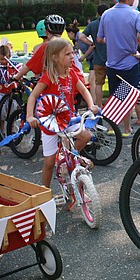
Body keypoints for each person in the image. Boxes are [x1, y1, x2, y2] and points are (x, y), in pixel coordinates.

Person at [25, 38, 99, 187]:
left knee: (86, 135)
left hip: (68, 119)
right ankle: (45, 191)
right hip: (50, 123)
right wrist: (30, 116)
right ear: (55, 57)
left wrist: (92, 105)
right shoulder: (49, 76)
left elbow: (84, 90)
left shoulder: (71, 74)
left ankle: (68, 157)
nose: (72, 56)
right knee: (49, 162)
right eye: (67, 54)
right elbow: (33, 96)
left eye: (72, 53)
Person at [97, 0, 140, 136]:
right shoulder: (135, 15)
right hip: (130, 63)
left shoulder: (106, 14)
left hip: (112, 64)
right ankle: (126, 128)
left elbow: (100, 38)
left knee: (116, 96)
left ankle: (112, 127)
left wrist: (112, 40)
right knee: (127, 97)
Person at [81, 4, 108, 106]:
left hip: (98, 59)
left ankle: (99, 106)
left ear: (97, 13)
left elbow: (81, 37)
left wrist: (92, 43)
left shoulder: (92, 25)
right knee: (115, 85)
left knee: (98, 84)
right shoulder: (110, 23)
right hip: (112, 59)